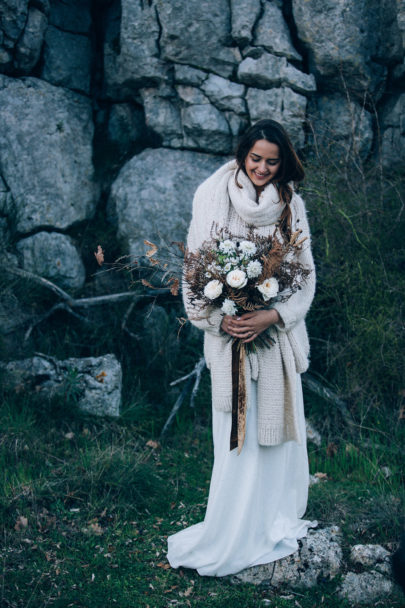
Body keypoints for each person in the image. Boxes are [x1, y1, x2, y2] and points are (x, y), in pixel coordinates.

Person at [167, 119, 317, 577]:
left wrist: (272, 315)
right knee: (238, 441)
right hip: (230, 344)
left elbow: (305, 276)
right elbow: (195, 277)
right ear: (242, 154)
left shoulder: (292, 206)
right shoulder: (211, 197)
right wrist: (223, 318)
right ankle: (233, 529)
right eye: (256, 159)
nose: (263, 169)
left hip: (276, 342)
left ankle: (268, 520)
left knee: (274, 443)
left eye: (273, 161)